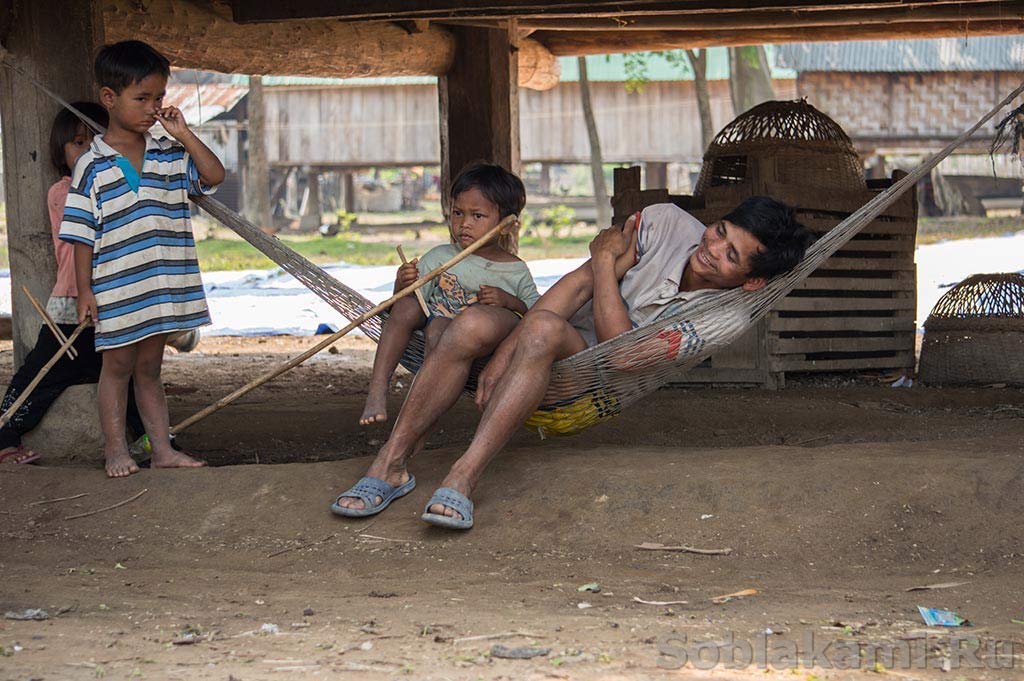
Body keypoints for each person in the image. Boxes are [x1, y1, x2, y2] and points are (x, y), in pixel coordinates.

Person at [331, 197, 813, 529]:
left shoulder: (721, 320)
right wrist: (504, 352)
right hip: (550, 327)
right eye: (719, 231)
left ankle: (463, 475)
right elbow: (577, 285)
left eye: (731, 256)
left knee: (541, 330)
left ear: (752, 282)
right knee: (472, 326)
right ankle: (389, 466)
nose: (710, 250)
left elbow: (620, 355)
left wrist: (606, 262)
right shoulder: (666, 222)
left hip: (593, 378)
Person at [59, 40, 225, 477]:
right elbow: (81, 234)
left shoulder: (170, 152)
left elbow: (214, 175)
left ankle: (163, 450)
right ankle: (116, 450)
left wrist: (185, 134)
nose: (153, 108)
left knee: (150, 368)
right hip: (116, 286)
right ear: (109, 99)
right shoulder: (91, 165)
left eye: (159, 98)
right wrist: (84, 292)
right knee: (116, 368)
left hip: (162, 286)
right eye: (142, 98)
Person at [0, 103, 146, 464]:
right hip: (73, 302)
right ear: (60, 150)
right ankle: (5, 435)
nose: (87, 150)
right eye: (78, 143)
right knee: (40, 373)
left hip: (115, 300)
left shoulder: (122, 185)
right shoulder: (62, 193)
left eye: (96, 141)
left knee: (124, 371)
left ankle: (147, 439)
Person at [357, 163, 539, 428]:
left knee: (442, 330)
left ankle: (422, 415)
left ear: (506, 225)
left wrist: (509, 302)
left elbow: (537, 314)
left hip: (477, 345)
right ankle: (377, 389)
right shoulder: (440, 256)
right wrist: (401, 284)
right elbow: (404, 304)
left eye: (477, 216)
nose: (464, 224)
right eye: (457, 213)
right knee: (409, 309)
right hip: (434, 323)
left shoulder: (515, 271)